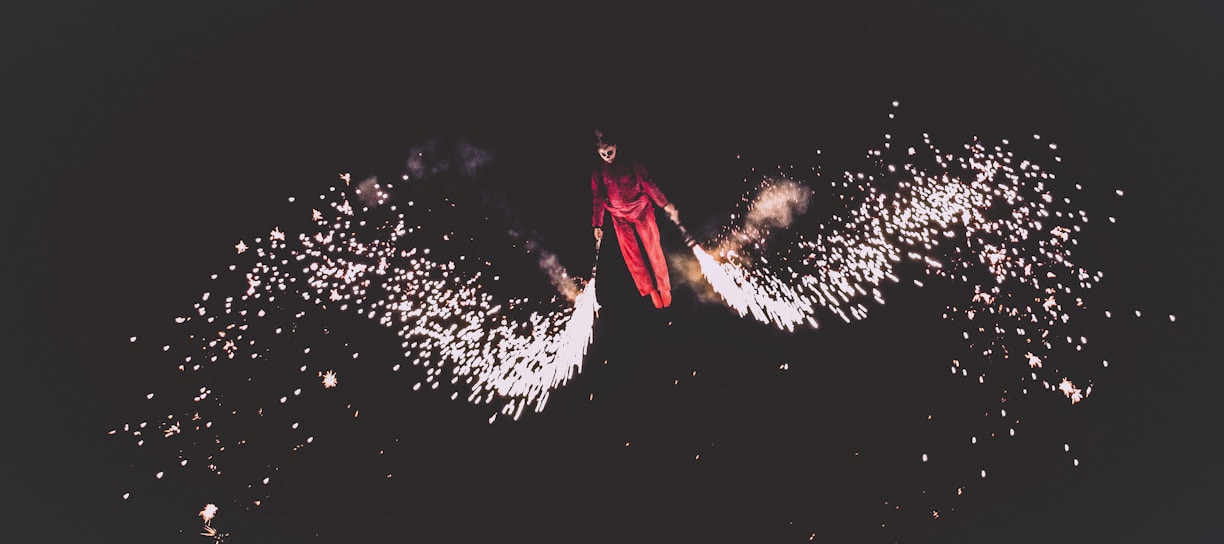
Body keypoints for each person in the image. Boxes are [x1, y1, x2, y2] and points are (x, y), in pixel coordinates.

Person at [590, 130, 679, 309]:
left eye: (610, 152)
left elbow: (648, 183)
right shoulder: (598, 172)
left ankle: (663, 287)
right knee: (632, 256)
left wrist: (664, 203)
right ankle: (649, 289)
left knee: (653, 247)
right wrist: (597, 224)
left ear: (616, 147)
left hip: (641, 211)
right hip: (619, 217)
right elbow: (598, 198)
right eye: (603, 154)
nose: (607, 156)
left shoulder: (631, 164)